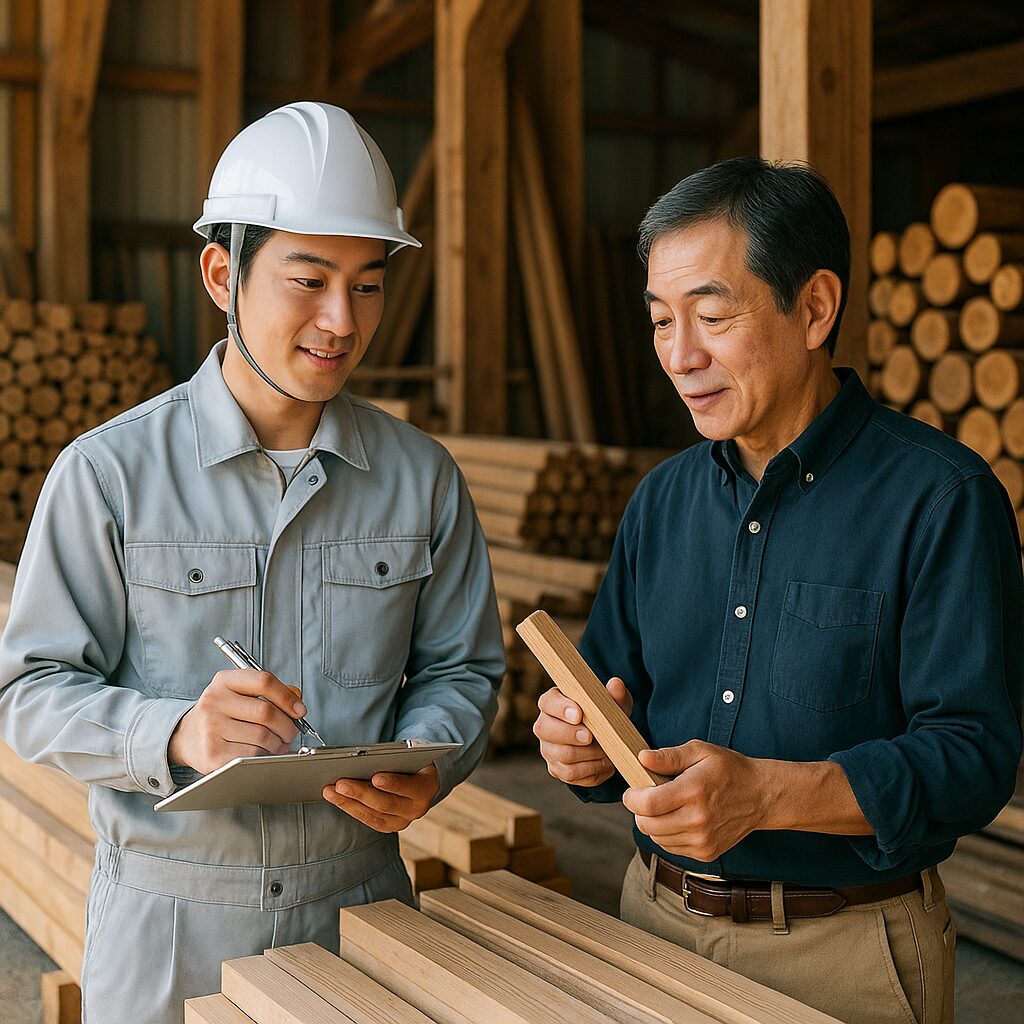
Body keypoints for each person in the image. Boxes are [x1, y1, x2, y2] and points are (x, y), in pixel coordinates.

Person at [0, 102, 503, 1023]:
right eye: (307, 280)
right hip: (169, 929)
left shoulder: (422, 481)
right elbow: (26, 694)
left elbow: (464, 669)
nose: (340, 321)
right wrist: (174, 735)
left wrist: (432, 757)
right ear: (221, 274)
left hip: (359, 914)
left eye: (368, 285)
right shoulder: (110, 475)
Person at [534, 157, 1023, 1024]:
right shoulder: (662, 500)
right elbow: (613, 706)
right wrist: (579, 749)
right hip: (651, 920)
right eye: (659, 323)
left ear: (815, 308)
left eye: (713, 316)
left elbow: (973, 755)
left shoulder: (942, 498)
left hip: (850, 956)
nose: (681, 357)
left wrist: (766, 794)